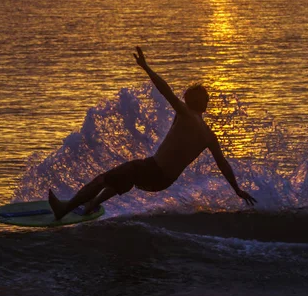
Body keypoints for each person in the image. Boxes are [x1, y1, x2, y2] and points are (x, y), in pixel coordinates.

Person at [48, 47, 257, 220]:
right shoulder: (208, 135)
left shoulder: (186, 115)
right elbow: (223, 165)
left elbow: (165, 90)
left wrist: (146, 67)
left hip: (154, 169)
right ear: (206, 105)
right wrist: (237, 190)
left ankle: (63, 209)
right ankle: (91, 205)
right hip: (164, 180)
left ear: (188, 101)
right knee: (123, 178)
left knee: (103, 179)